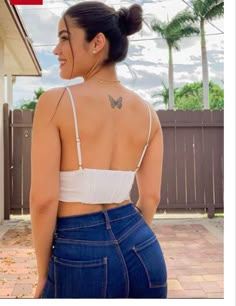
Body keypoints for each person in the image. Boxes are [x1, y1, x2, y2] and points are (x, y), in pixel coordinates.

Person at [30, 0, 167, 299]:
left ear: (97, 43)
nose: (55, 49)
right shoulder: (148, 113)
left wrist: (43, 274)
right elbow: (151, 197)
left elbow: (43, 200)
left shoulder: (54, 104)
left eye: (64, 38)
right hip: (144, 248)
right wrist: (126, 241)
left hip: (79, 253)